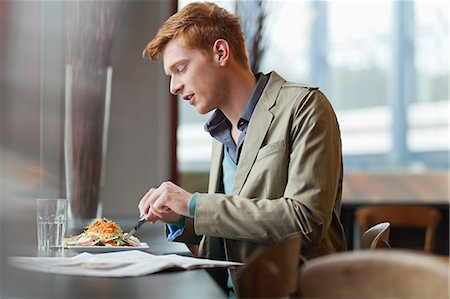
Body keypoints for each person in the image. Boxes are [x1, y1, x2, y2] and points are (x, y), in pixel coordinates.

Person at [138, 1, 347, 294]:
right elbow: (233, 228)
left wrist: (194, 204)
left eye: (181, 68)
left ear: (221, 52)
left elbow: (305, 221)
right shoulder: (221, 132)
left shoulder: (305, 107)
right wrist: (182, 217)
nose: (173, 86)